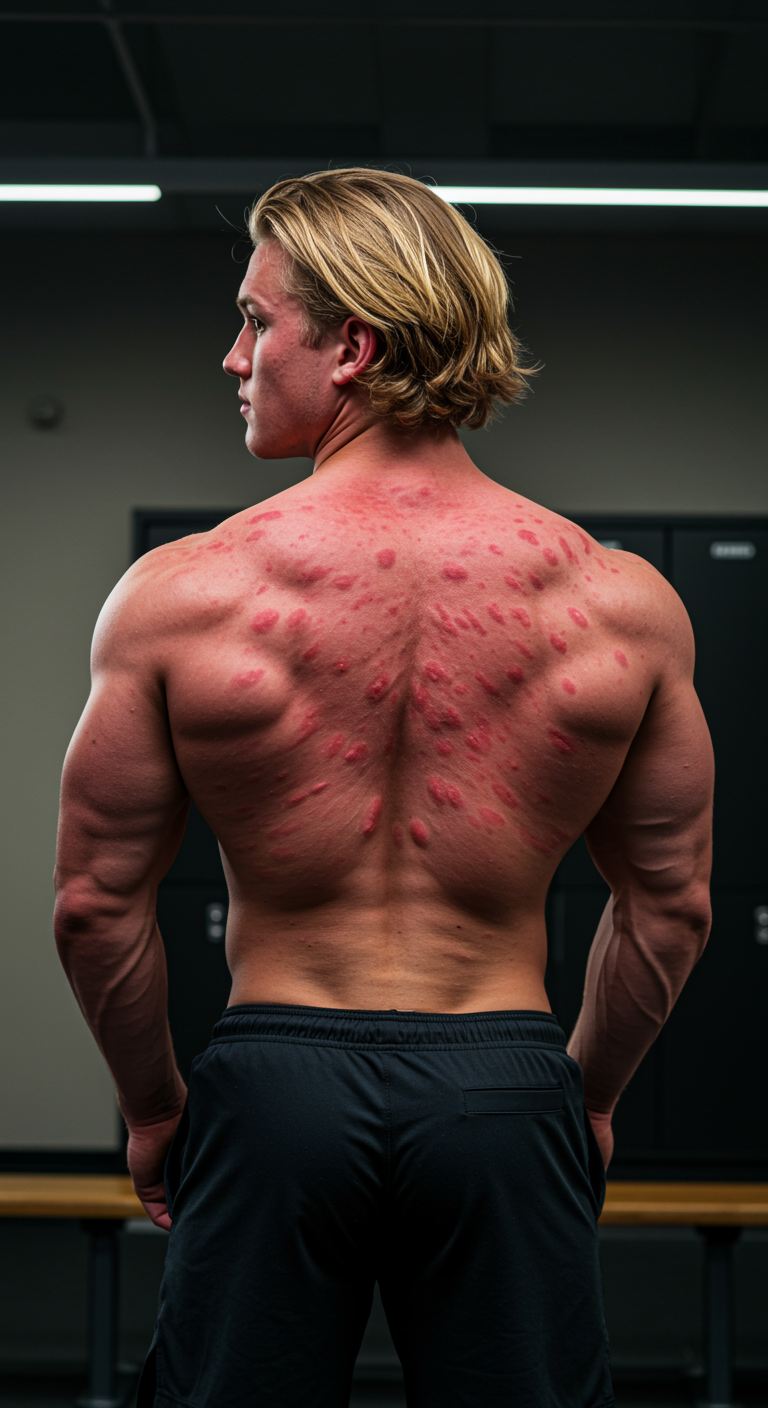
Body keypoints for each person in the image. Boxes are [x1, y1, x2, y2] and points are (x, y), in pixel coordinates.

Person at [54, 169, 714, 1408]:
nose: (231, 355)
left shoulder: (185, 594)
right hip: (506, 1085)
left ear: (352, 346)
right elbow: (670, 906)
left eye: (257, 321)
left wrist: (153, 1108)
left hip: (274, 1088)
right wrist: (589, 1100)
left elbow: (95, 904)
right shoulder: (617, 605)